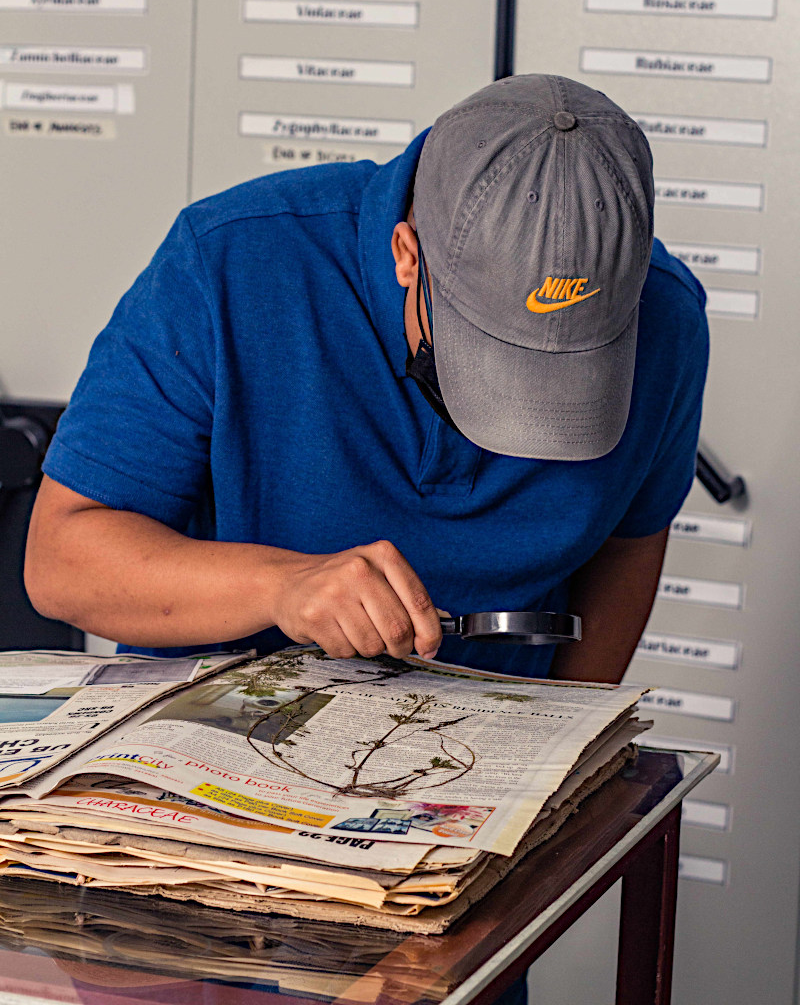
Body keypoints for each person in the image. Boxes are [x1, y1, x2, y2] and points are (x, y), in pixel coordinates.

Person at [25, 74, 709, 686]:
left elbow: (632, 540)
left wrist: (568, 749)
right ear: (407, 256)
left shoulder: (669, 321)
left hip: (492, 742)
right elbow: (62, 562)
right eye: (491, 355)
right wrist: (280, 588)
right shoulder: (233, 261)